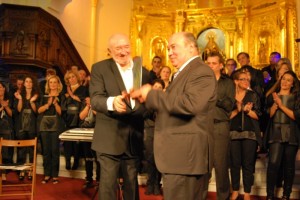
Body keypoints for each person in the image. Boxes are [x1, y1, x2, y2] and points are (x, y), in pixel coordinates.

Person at [131, 32, 217, 200]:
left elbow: (189, 104)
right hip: (179, 159)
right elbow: (171, 106)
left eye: (173, 47)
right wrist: (144, 98)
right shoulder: (183, 73)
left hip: (186, 159)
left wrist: (152, 95)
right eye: (168, 48)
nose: (169, 52)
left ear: (191, 47)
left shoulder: (201, 71)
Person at [89, 33, 150, 200]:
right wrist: (112, 102)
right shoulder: (99, 68)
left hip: (133, 138)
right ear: (109, 51)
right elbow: (95, 99)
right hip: (109, 138)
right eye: (118, 48)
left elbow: (146, 104)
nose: (123, 52)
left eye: (126, 47)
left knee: (131, 187)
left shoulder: (141, 70)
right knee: (108, 188)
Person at [203, 52, 235, 200]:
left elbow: (229, 105)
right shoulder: (201, 82)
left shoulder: (227, 83)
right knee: (203, 166)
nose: (210, 66)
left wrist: (214, 97)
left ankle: (223, 197)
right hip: (202, 127)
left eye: (213, 63)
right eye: (208, 63)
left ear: (221, 65)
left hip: (220, 126)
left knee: (221, 166)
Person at [264, 71, 300, 200]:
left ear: (292, 83)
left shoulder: (296, 98)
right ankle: (269, 195)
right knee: (273, 163)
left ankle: (286, 195)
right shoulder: (271, 96)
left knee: (289, 166)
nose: (285, 82)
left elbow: (296, 116)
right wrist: (274, 105)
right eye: (283, 79)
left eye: (288, 80)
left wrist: (281, 105)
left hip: (291, 133)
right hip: (275, 132)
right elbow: (268, 115)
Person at [229, 69, 262, 200]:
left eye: (248, 79)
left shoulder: (253, 95)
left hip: (250, 133)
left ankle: (247, 192)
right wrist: (238, 110)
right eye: (243, 79)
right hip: (233, 133)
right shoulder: (230, 96)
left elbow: (258, 116)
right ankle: (235, 190)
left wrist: (247, 111)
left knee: (248, 164)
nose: (246, 81)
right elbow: (227, 117)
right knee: (235, 163)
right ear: (236, 81)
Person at [37, 75, 64, 184]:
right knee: (46, 151)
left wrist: (56, 103)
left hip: (56, 126)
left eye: (55, 82)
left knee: (54, 151)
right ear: (48, 84)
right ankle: (47, 174)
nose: (53, 84)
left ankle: (55, 175)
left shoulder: (62, 96)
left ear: (58, 84)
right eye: (51, 82)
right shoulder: (43, 96)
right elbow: (39, 110)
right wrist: (48, 104)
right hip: (44, 126)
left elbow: (61, 112)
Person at [14, 75, 40, 180]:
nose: (28, 83)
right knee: (21, 149)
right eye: (26, 81)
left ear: (33, 84)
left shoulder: (37, 95)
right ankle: (22, 170)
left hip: (32, 125)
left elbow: (36, 111)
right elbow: (19, 110)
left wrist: (31, 101)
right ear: (24, 83)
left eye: (30, 81)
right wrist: (20, 99)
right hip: (21, 125)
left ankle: (30, 170)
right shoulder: (19, 95)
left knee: (32, 149)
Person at [143, 79, 165, 196]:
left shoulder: (165, 101)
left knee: (159, 158)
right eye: (155, 86)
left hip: (161, 131)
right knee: (149, 157)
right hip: (149, 130)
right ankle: (150, 183)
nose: (157, 89)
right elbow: (144, 114)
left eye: (160, 87)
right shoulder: (147, 100)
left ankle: (157, 184)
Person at [62, 70, 87, 170]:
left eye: (73, 77)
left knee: (77, 142)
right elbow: (63, 105)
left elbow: (82, 101)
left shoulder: (83, 89)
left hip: (78, 117)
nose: (71, 79)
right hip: (68, 118)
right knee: (67, 142)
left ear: (77, 77)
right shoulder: (65, 91)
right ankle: (67, 160)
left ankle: (76, 161)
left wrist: (72, 96)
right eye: (69, 78)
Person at [79, 96, 100, 188]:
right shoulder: (84, 104)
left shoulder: (99, 103)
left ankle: (99, 180)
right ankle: (89, 179)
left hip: (97, 132)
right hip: (86, 132)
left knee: (98, 158)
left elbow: (100, 115)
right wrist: (87, 106)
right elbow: (81, 116)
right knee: (88, 158)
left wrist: (92, 105)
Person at [0, 82, 14, 165]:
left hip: (7, 128)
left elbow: (11, 114)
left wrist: (6, 106)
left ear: (4, 88)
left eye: (1, 87)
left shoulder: (9, 99)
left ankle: (6, 168)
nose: (0, 89)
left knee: (6, 151)